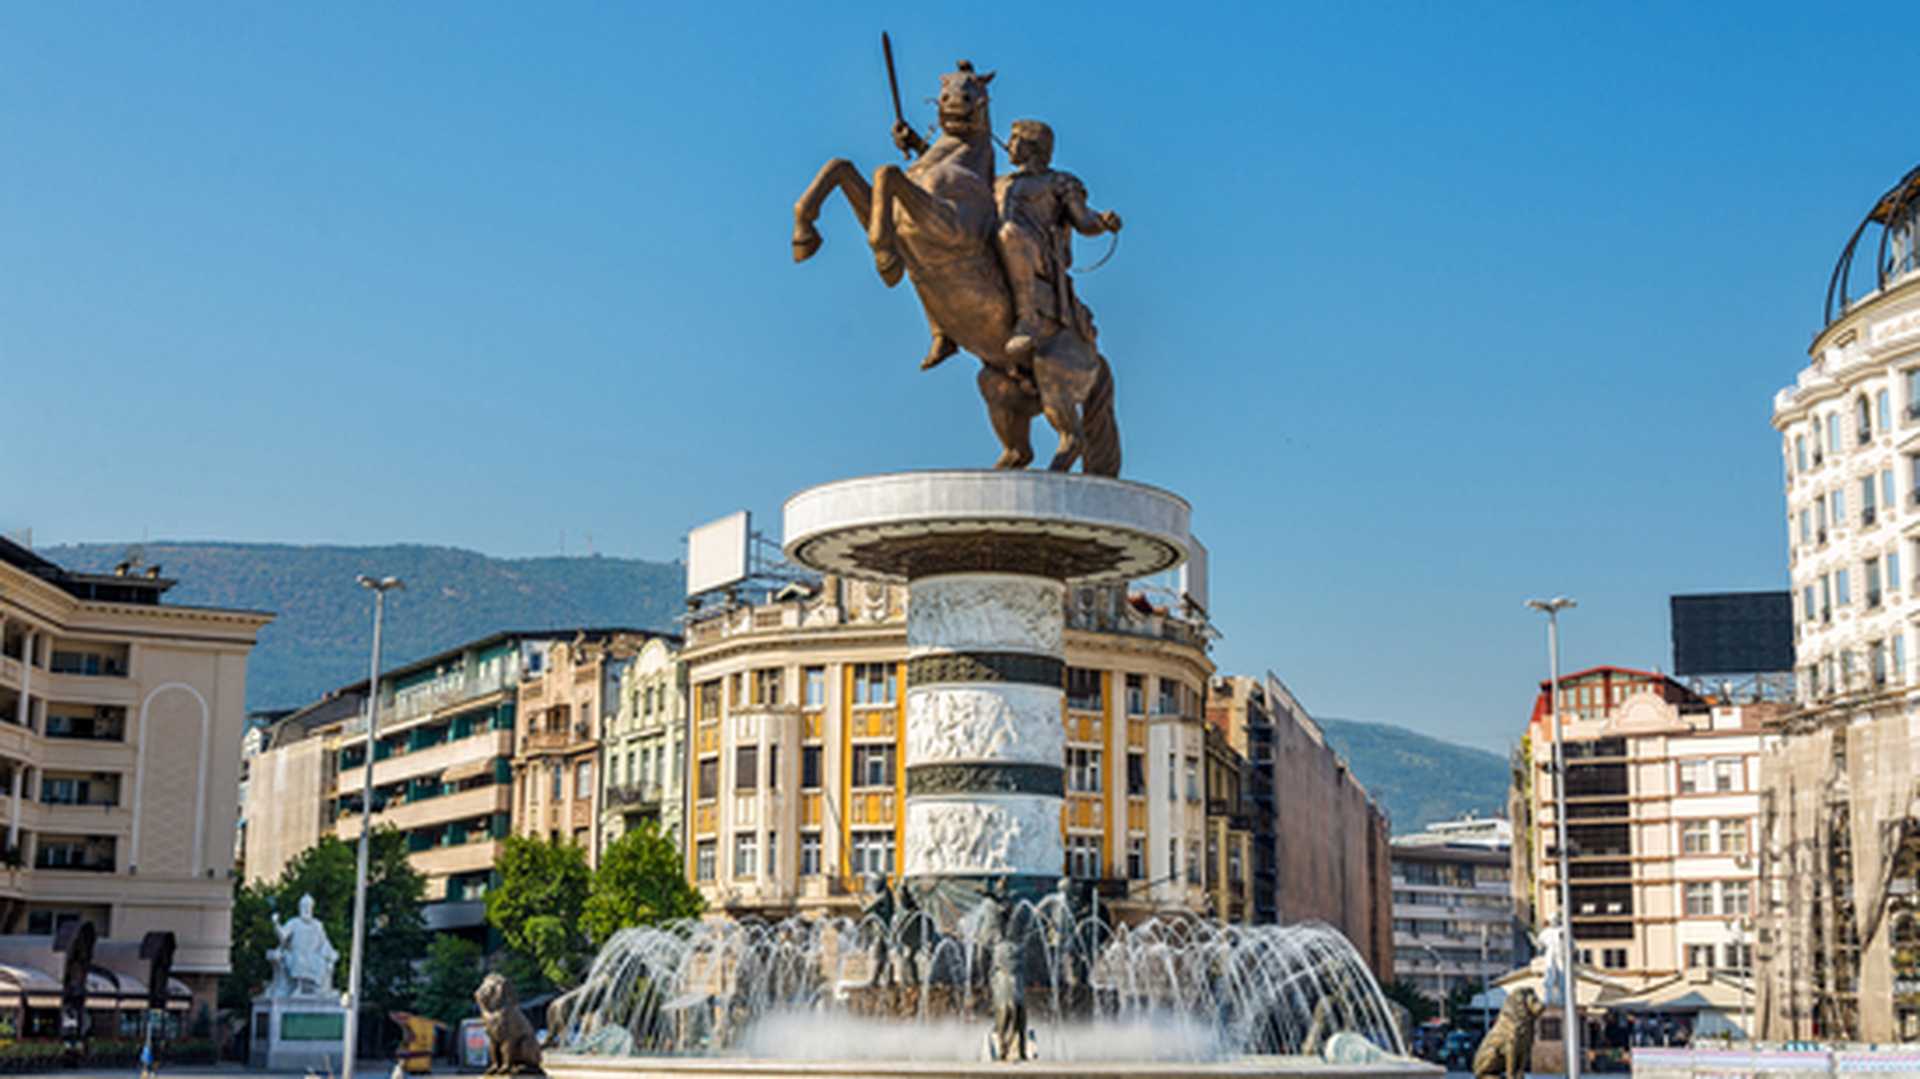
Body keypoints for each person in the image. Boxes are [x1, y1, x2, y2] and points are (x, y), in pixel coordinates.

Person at [992, 119, 1122, 371]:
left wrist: (1103, 221)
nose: (1008, 144)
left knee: (1010, 234)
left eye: (1015, 139)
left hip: (1038, 254)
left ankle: (1027, 318)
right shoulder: (997, 182)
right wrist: (919, 147)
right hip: (998, 247)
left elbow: (1083, 221)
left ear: (1033, 147)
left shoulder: (1058, 181)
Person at [269, 893, 339, 997]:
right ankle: (299, 987)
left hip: (314, 955)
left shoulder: (317, 925)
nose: (306, 909)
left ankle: (314, 989)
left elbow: (324, 942)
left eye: (308, 907)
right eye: (304, 906)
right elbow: (283, 936)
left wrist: (331, 953)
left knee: (320, 962)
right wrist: (276, 924)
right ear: (300, 908)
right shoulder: (294, 922)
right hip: (296, 954)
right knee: (299, 960)